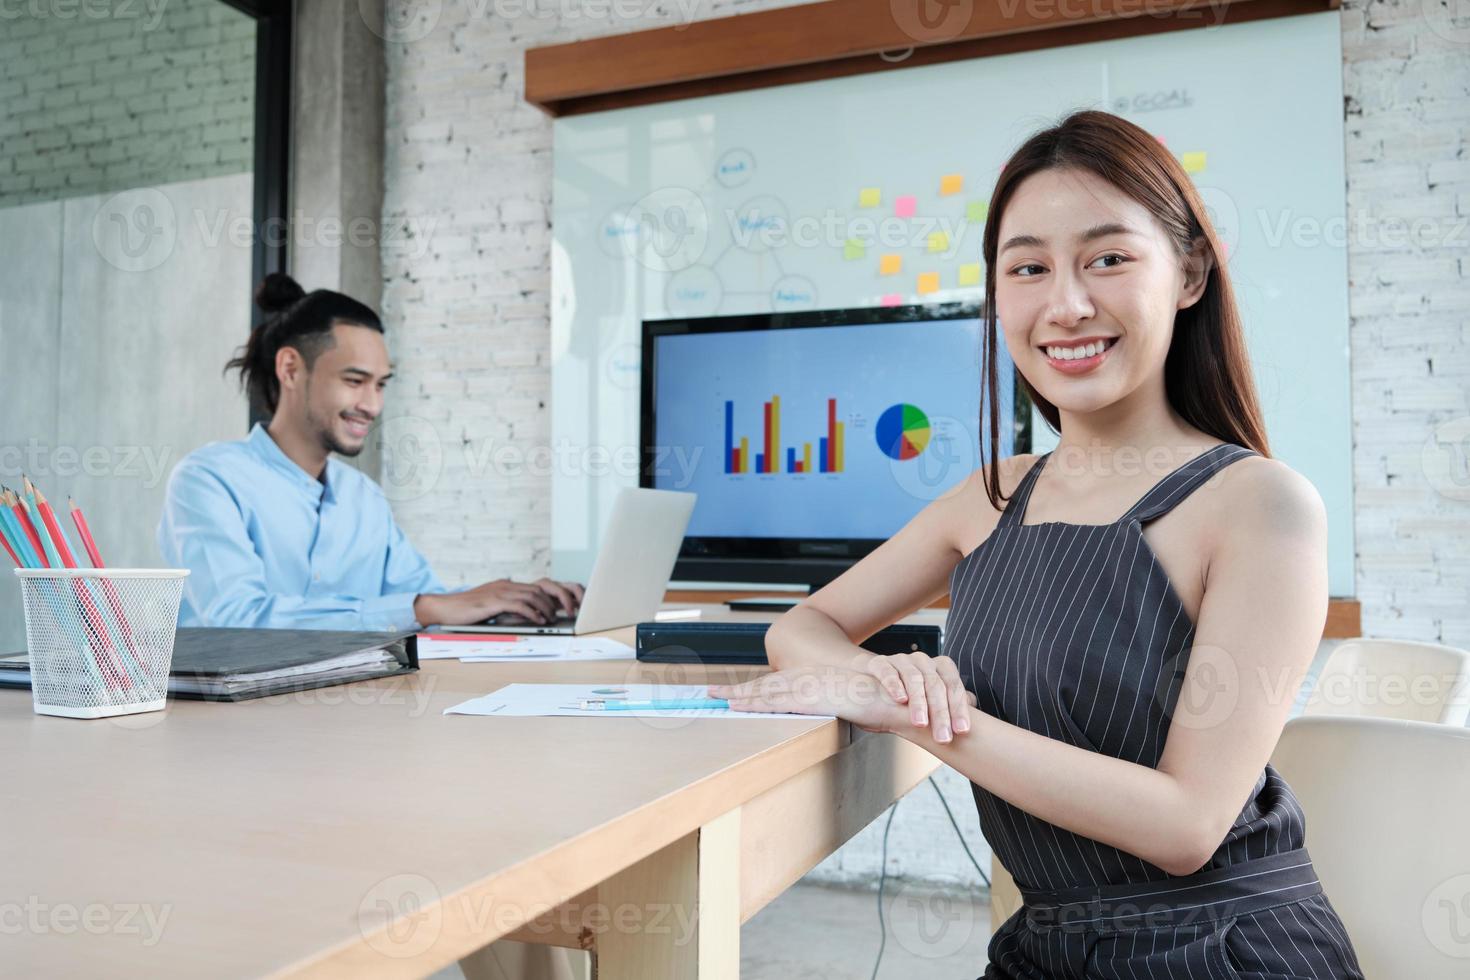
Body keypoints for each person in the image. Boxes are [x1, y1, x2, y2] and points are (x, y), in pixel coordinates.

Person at [710, 110, 1365, 978]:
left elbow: (1186, 825)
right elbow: (806, 624)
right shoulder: (993, 496)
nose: (1065, 305)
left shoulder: (1260, 505)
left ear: (1190, 273)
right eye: (1028, 268)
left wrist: (925, 720)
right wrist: (885, 675)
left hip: (1219, 952)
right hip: (1045, 946)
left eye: (1108, 258)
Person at [157, 273, 583, 631]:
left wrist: (510, 603)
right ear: (290, 369)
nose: (372, 405)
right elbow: (236, 618)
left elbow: (422, 599)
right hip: (228, 723)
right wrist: (423, 608)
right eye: (355, 380)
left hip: (347, 713)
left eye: (380, 385)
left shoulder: (364, 498)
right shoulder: (209, 479)